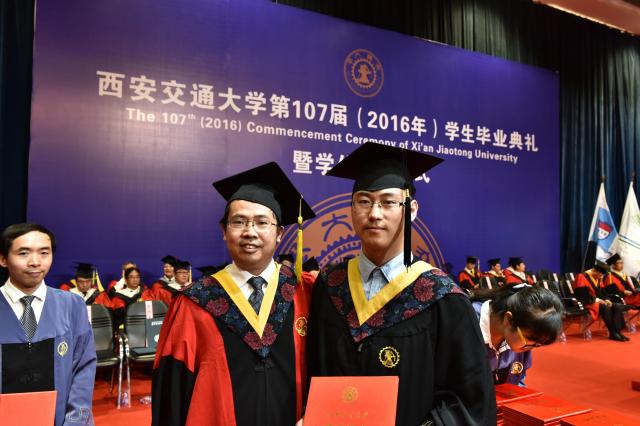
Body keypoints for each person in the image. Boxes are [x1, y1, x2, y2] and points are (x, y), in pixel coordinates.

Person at [307, 143, 495, 425]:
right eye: (364, 201)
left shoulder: (442, 298)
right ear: (352, 209)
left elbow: (470, 401)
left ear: (412, 209)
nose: (374, 213)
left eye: (388, 202)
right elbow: (314, 368)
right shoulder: (330, 285)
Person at [152, 162, 316, 426]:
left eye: (262, 222)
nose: (250, 232)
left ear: (279, 233)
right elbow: (172, 391)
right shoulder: (195, 302)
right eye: (239, 222)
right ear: (224, 230)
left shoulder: (303, 292)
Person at [0, 223, 96, 425]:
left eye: (44, 253)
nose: (35, 262)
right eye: (23, 253)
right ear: (3, 259)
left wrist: (75, 422)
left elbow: (83, 369)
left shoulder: (72, 305)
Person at [471, 285, 563, 385]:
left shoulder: (522, 338)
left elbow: (518, 380)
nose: (532, 348)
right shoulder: (467, 323)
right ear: (509, 320)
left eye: (537, 344)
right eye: (529, 342)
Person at [573, 261, 629, 342]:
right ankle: (613, 332)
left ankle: (618, 331)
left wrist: (607, 299)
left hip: (597, 302)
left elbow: (603, 291)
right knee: (605, 307)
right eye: (600, 274)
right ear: (594, 271)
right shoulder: (581, 276)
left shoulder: (598, 277)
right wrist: (598, 300)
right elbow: (581, 295)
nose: (601, 277)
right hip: (586, 302)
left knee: (616, 306)